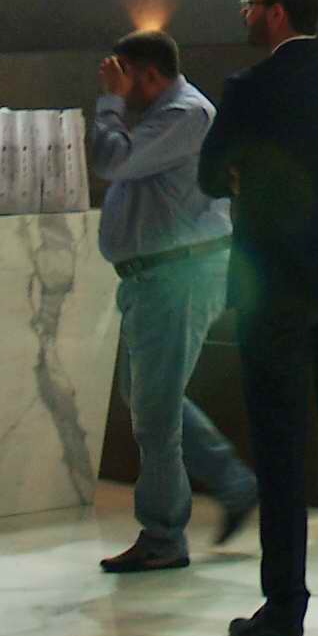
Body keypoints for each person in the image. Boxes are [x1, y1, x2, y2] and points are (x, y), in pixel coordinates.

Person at [199, 0, 318, 636]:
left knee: (279, 449)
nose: (246, 13)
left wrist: (246, 177)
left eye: (251, 4)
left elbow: (209, 174)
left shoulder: (250, 88)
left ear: (276, 13)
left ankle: (285, 608)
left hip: (272, 287)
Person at [91, 29, 254, 574]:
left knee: (155, 411)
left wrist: (109, 104)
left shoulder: (187, 114)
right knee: (147, 397)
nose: (118, 84)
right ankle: (233, 482)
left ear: (150, 74)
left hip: (177, 275)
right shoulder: (165, 116)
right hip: (156, 278)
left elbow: (112, 161)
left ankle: (163, 535)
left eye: (124, 75)